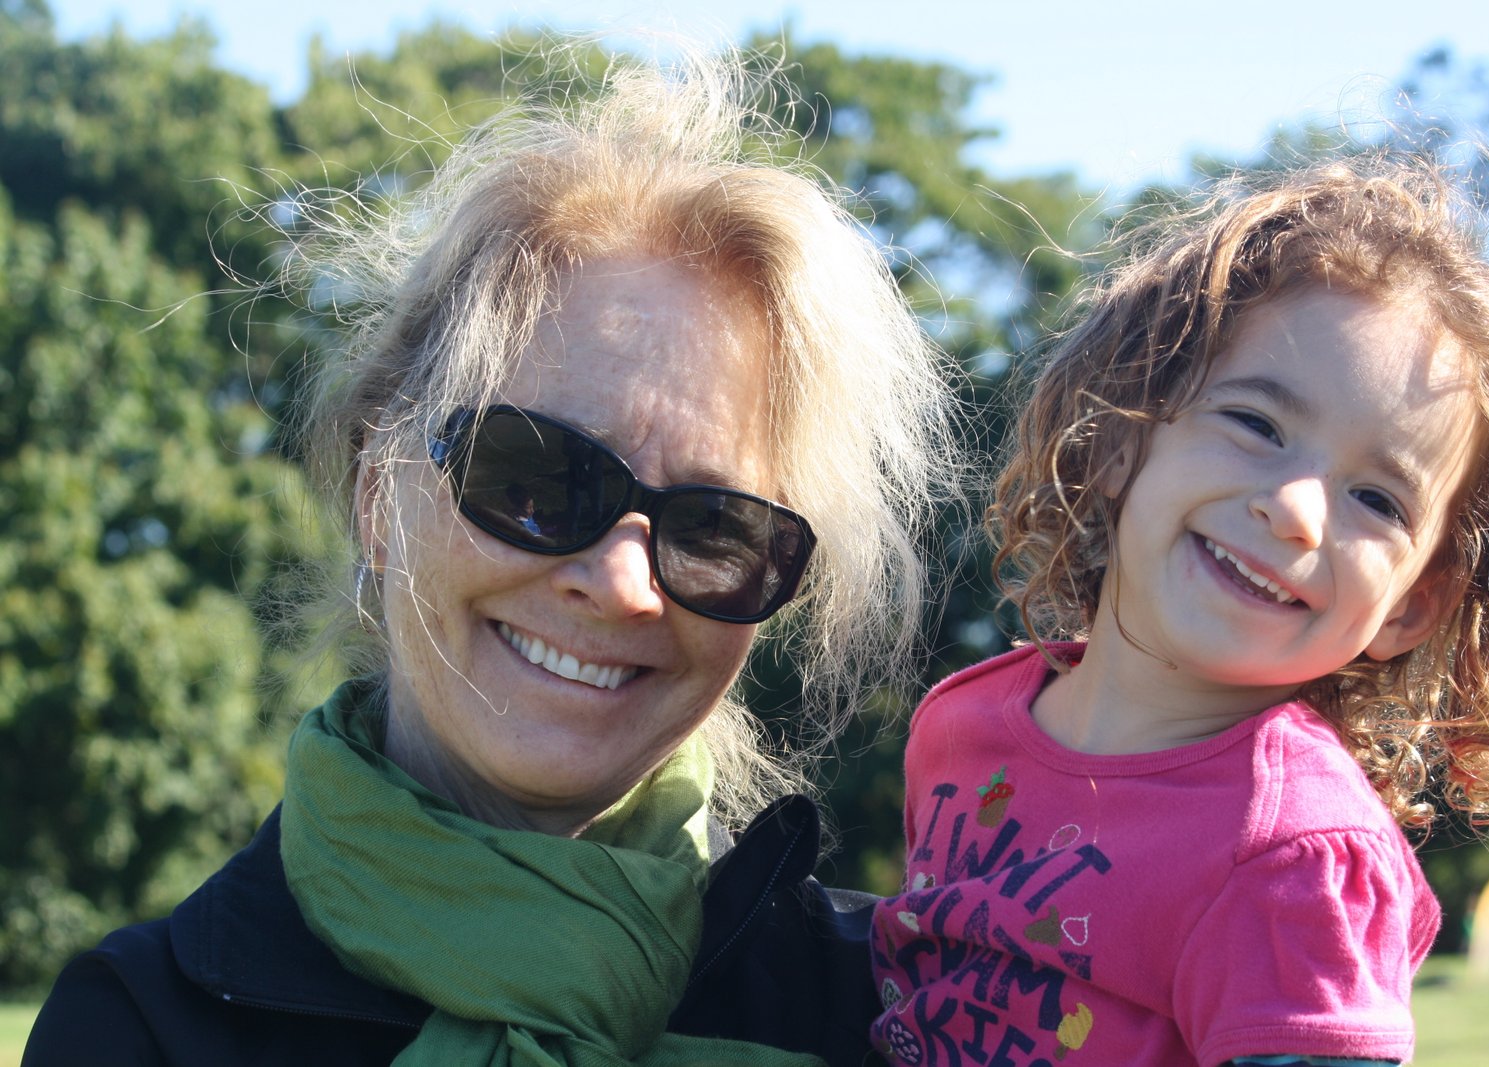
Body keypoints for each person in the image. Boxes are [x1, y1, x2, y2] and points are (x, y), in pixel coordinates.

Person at [25, 45, 960, 1067]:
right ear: (378, 492)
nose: (621, 584)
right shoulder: (139, 1027)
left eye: (712, 526)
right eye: (534, 477)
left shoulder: (905, 1017)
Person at [868, 158, 1489, 1066]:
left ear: (1410, 605)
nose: (1295, 510)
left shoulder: (1298, 859)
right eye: (1257, 423)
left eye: (1377, 500)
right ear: (1123, 434)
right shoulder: (959, 723)